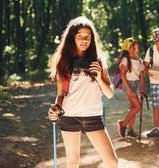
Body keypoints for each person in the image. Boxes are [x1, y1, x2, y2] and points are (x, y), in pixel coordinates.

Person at [47, 16, 118, 168]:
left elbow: (110, 93)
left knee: (112, 162)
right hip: (70, 115)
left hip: (92, 116)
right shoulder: (63, 62)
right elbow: (60, 95)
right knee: (73, 162)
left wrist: (99, 78)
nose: (84, 40)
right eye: (79, 36)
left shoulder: (98, 61)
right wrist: (55, 109)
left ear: (92, 39)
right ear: (72, 38)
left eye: (88, 37)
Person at [117, 37, 146, 138]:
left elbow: (142, 76)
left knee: (133, 107)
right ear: (128, 49)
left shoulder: (140, 61)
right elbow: (122, 76)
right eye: (134, 48)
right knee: (138, 107)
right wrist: (129, 90)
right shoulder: (125, 60)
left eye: (138, 48)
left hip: (136, 85)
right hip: (128, 85)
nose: (137, 50)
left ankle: (130, 130)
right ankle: (123, 124)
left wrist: (142, 90)